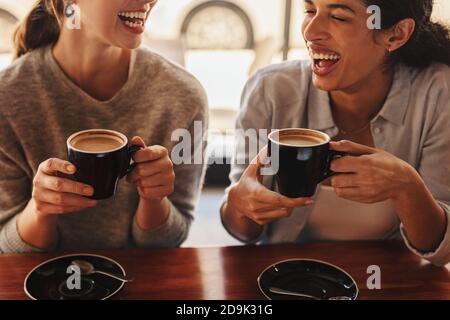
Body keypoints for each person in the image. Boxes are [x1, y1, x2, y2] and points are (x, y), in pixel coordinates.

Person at [222, 0, 450, 266]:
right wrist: (240, 204)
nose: (310, 31)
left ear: (396, 34)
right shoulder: (270, 90)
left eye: (339, 17)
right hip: (285, 280)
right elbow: (242, 232)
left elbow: (440, 249)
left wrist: (408, 188)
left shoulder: (438, 93)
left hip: (389, 283)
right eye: (309, 11)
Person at [0, 0, 208, 253]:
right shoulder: (7, 99)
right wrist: (41, 209)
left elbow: (171, 240)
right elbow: (8, 251)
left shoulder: (184, 96)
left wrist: (154, 199)